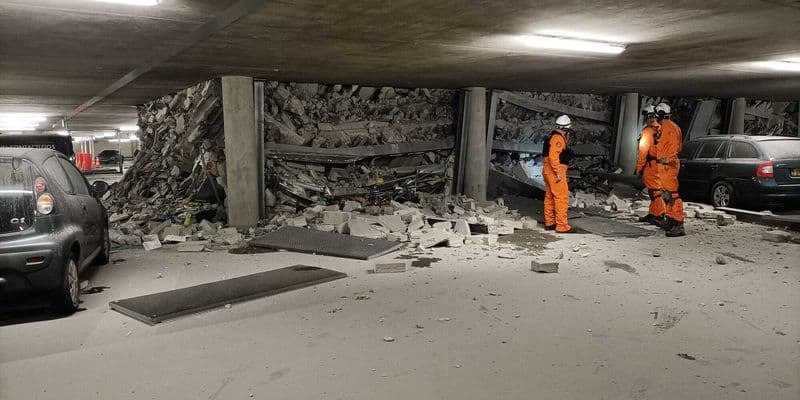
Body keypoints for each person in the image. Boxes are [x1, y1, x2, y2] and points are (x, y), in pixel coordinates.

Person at [654, 103, 686, 237]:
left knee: (672, 195)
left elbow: (674, 148)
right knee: (666, 194)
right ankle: (671, 220)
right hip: (665, 165)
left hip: (668, 165)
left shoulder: (669, 128)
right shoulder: (670, 127)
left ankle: (678, 224)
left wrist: (666, 160)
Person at [542, 115, 575, 233]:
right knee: (561, 197)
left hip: (547, 170)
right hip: (555, 171)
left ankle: (550, 223)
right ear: (566, 128)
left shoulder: (551, 137)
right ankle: (562, 226)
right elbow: (553, 157)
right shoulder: (558, 139)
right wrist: (558, 172)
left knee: (550, 196)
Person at [635, 105, 667, 227]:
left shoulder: (647, 132)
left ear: (648, 116)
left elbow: (643, 151)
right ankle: (653, 214)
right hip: (662, 164)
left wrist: (639, 168)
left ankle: (659, 214)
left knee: (654, 191)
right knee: (655, 189)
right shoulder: (662, 129)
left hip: (652, 165)